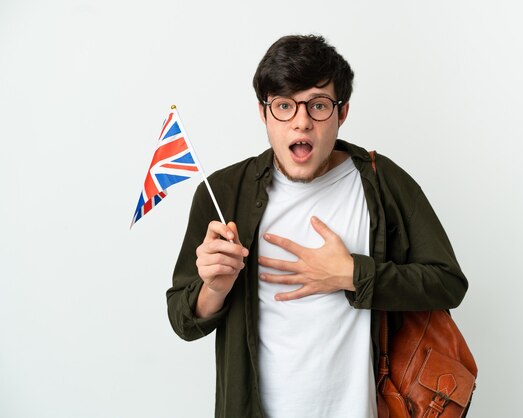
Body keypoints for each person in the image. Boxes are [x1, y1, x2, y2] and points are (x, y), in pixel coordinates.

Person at [166, 34, 468, 418]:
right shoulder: (223, 193)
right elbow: (182, 320)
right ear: (263, 113)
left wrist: (352, 274)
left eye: (319, 106)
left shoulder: (382, 182)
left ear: (342, 113)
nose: (302, 123)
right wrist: (214, 288)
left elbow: (448, 283)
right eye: (284, 106)